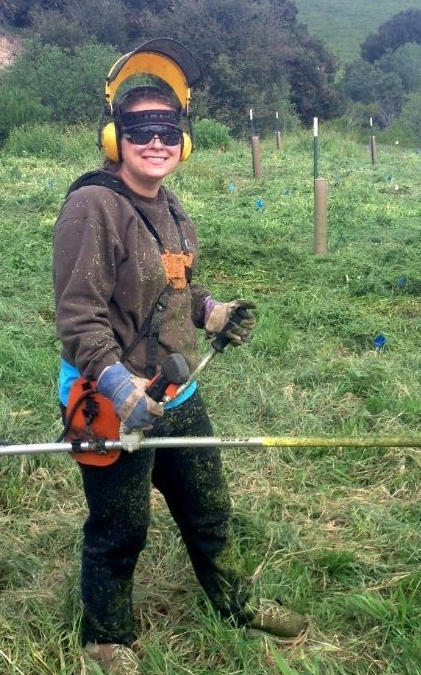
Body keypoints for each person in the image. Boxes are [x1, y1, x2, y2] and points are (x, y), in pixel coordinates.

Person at [52, 47, 307, 674]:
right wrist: (119, 386)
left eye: (169, 129)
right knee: (121, 527)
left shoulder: (171, 209)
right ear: (115, 137)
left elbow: (175, 287)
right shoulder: (93, 206)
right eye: (140, 130)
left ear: (184, 140)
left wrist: (212, 312)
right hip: (108, 399)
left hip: (177, 392)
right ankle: (107, 638)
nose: (156, 142)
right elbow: (79, 319)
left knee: (209, 508)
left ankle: (236, 603)